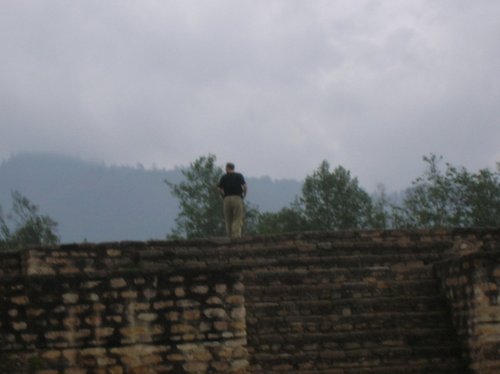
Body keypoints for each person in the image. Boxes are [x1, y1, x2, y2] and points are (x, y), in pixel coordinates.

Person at [217, 162, 247, 238]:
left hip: (227, 199)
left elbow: (219, 189)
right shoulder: (239, 176)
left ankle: (229, 236)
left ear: (227, 168)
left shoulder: (224, 177)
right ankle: (236, 236)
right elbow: (245, 187)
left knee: (228, 218)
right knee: (237, 217)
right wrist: (244, 195)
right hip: (237, 198)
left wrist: (223, 196)